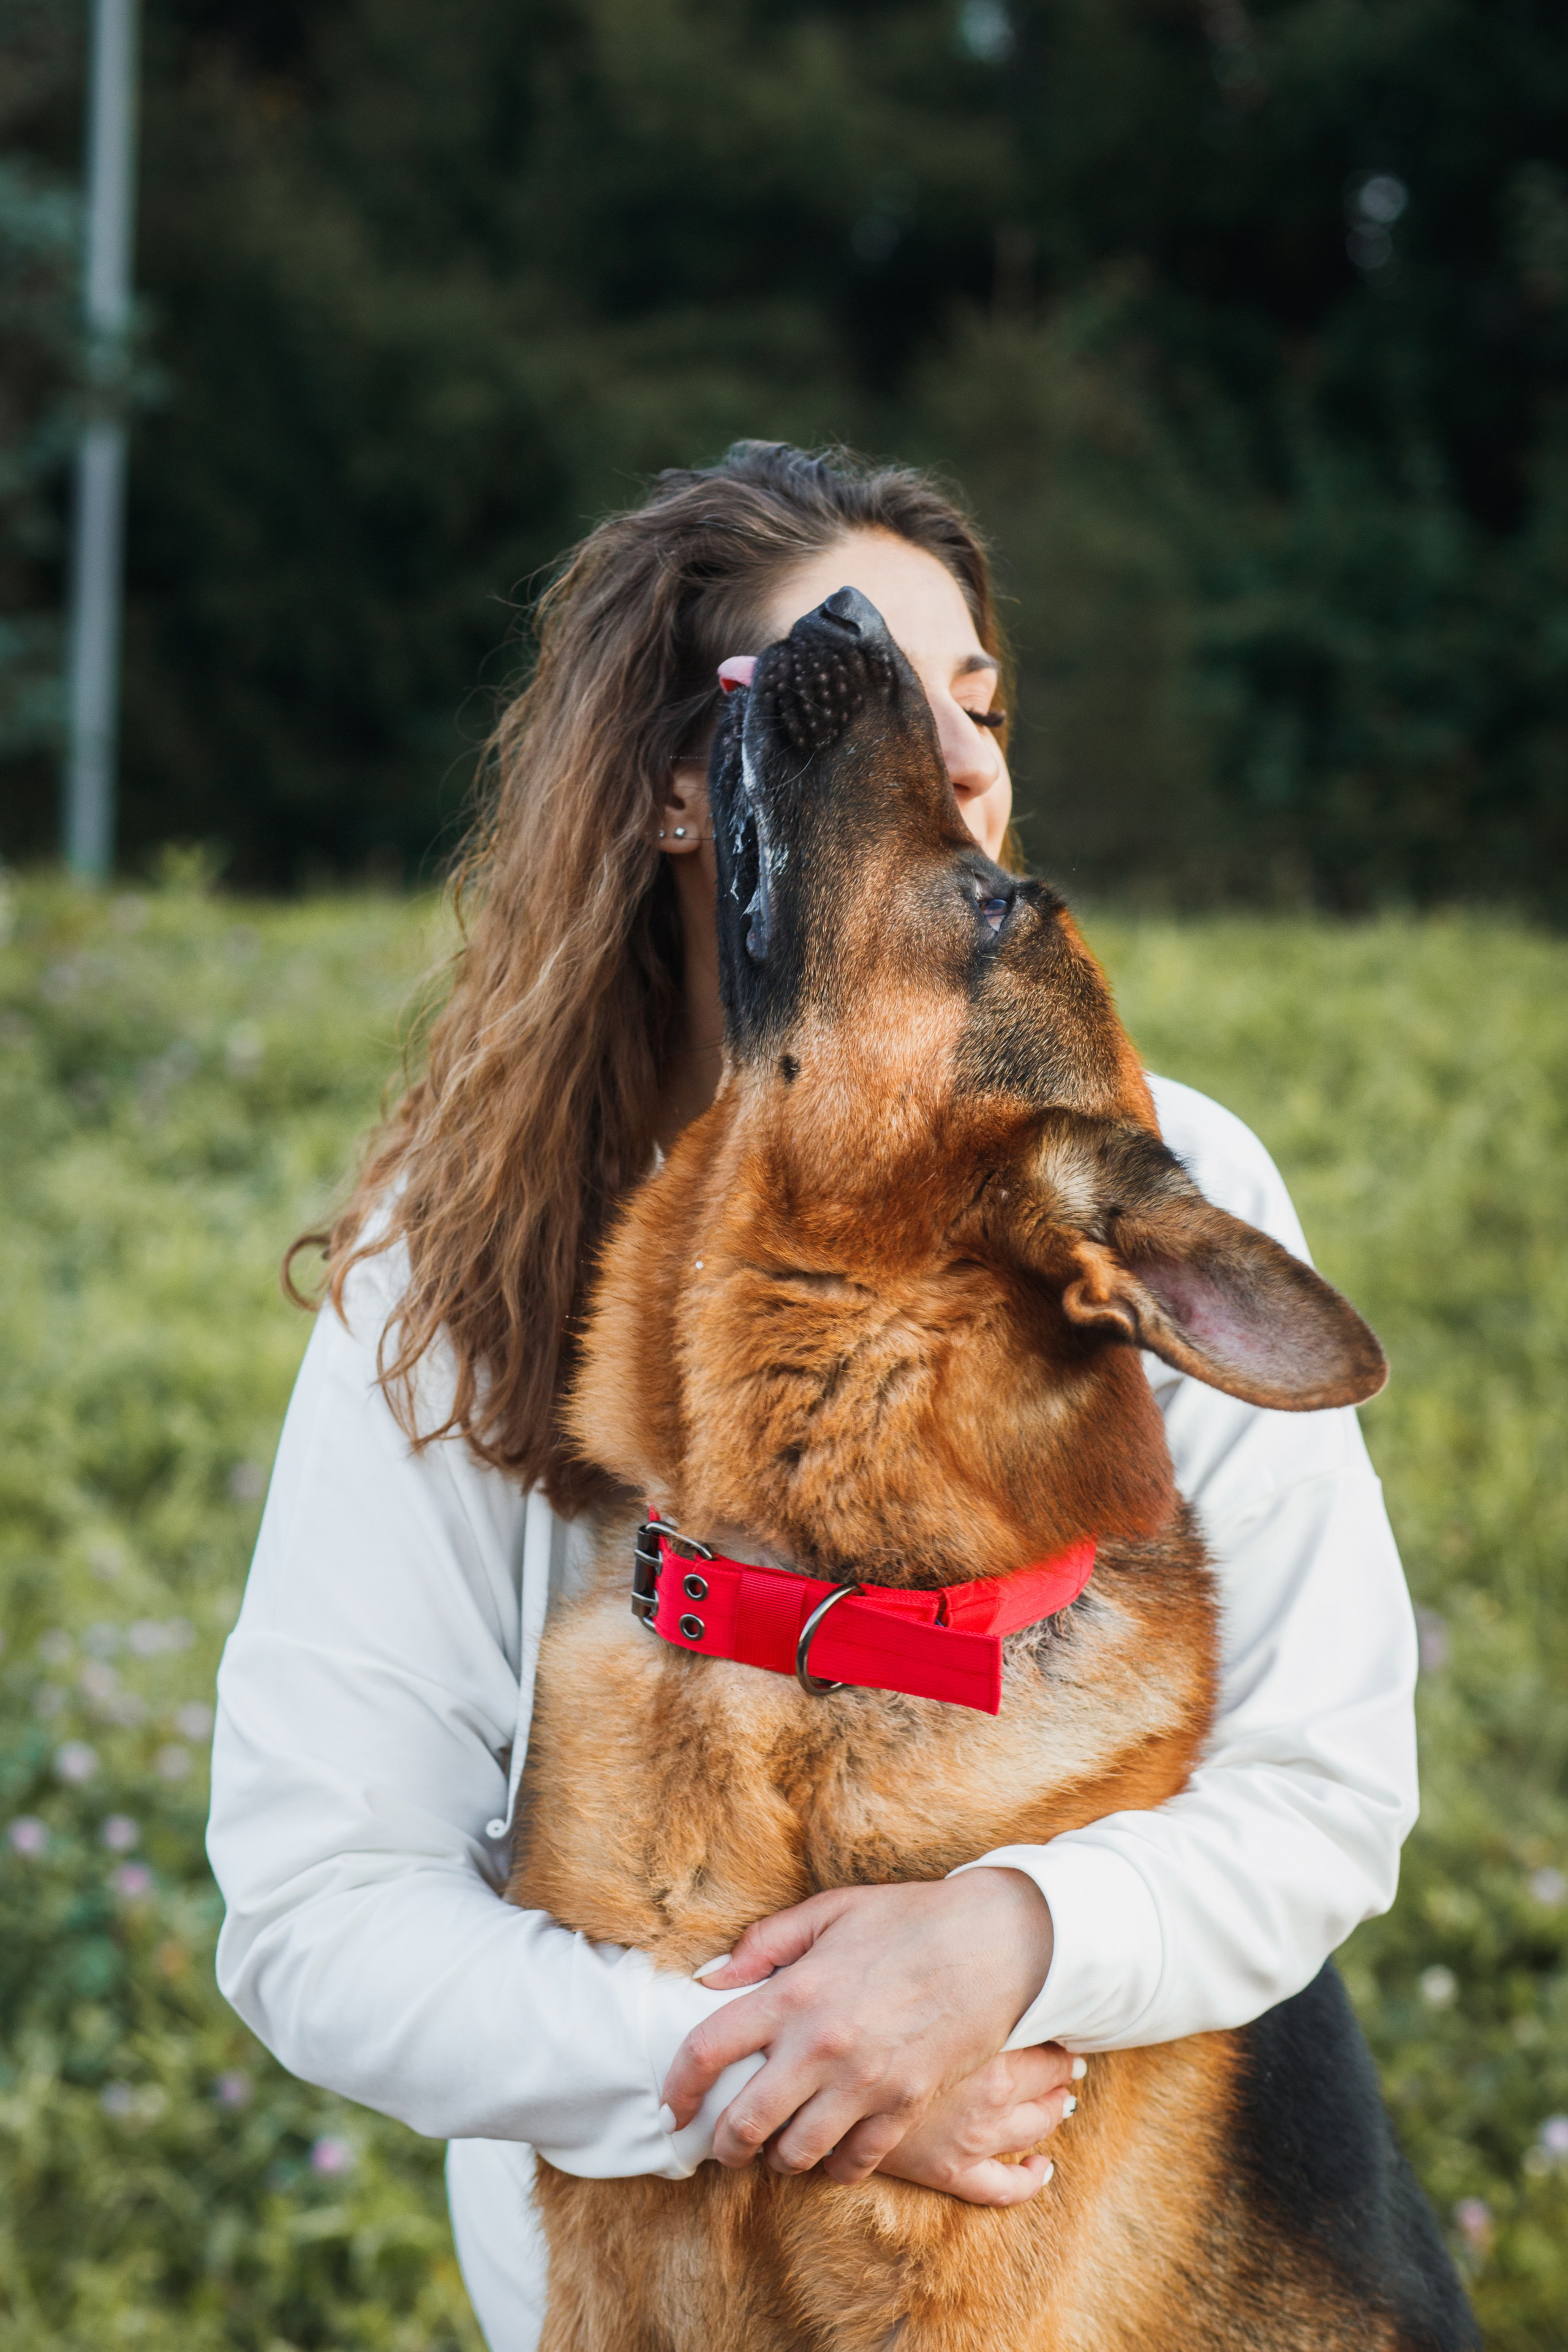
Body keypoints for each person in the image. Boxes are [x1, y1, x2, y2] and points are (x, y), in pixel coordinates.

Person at [207, 442, 1419, 2351]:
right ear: (680, 786)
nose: (961, 767)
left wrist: (1009, 1942)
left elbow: (1326, 1791)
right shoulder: (449, 1265)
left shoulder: (1158, 1176)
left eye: (981, 706)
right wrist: (784, 2069)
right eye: (849, 696)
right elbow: (316, 1913)